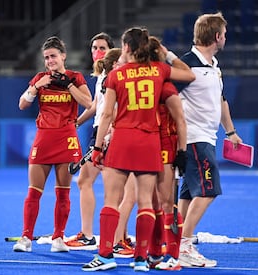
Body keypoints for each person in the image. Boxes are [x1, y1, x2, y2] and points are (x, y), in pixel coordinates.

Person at [82, 27, 195, 272]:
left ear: (125, 47)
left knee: (111, 200)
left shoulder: (116, 75)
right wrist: (167, 54)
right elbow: (189, 76)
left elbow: (106, 114)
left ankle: (105, 256)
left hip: (122, 139)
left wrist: (99, 147)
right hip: (149, 142)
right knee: (146, 203)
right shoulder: (159, 70)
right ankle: (142, 259)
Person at [12, 36, 92, 253]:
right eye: (46, 58)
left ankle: (58, 238)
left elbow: (88, 103)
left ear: (63, 56)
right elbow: (22, 104)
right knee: (33, 191)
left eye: (53, 56)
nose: (50, 61)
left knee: (63, 192)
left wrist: (69, 86)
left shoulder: (76, 77)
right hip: (44, 138)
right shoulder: (40, 78)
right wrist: (36, 87)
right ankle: (26, 238)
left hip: (66, 138)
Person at [176, 12, 242, 268]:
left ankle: (176, 242)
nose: (225, 38)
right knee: (208, 190)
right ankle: (184, 244)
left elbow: (221, 100)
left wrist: (230, 131)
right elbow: (166, 100)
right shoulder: (186, 65)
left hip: (207, 137)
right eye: (224, 34)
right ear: (216, 36)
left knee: (189, 194)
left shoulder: (213, 65)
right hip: (193, 139)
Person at [65, 32, 115, 251]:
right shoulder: (102, 74)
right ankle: (92, 235)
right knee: (86, 181)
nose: (97, 52)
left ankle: (112, 238)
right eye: (94, 48)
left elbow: (112, 109)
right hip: (99, 131)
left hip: (107, 134)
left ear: (111, 51)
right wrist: (75, 123)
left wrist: (106, 135)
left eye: (102, 48)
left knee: (112, 188)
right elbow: (96, 105)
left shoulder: (114, 73)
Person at [145, 36, 188, 271]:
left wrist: (181, 151)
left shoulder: (166, 79)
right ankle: (154, 253)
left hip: (165, 144)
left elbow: (180, 120)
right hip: (147, 143)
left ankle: (173, 256)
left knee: (167, 202)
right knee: (151, 202)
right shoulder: (143, 77)